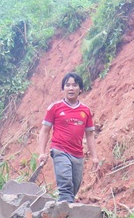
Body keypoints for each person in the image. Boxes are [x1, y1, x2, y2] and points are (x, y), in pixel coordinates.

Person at [37, 72, 97, 203]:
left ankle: (61, 212)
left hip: (78, 155)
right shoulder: (55, 108)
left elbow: (90, 135)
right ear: (63, 88)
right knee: (65, 187)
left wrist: (94, 157)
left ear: (80, 89)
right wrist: (41, 153)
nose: (70, 88)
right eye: (67, 85)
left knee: (74, 188)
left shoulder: (85, 111)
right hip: (60, 151)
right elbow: (45, 130)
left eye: (74, 85)